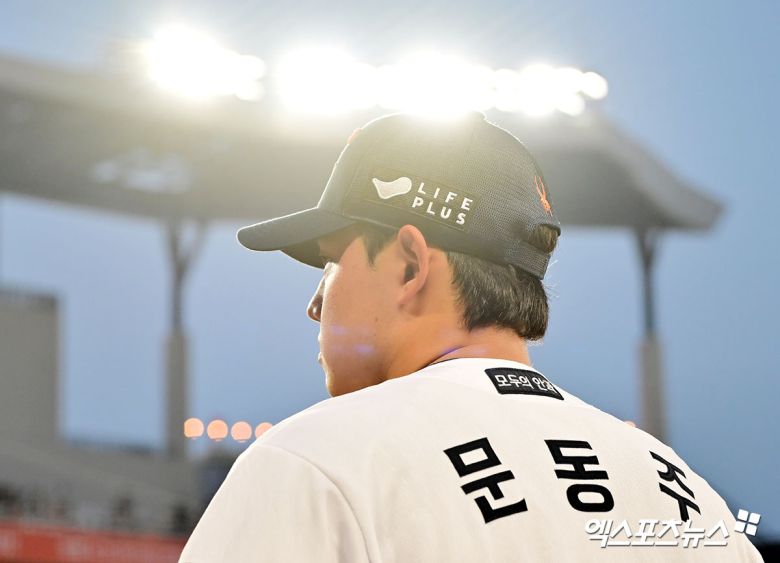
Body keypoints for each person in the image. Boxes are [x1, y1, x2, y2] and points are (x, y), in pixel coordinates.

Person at [179, 112, 763, 562]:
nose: (314, 305)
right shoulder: (693, 500)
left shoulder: (317, 462)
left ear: (410, 265)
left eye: (330, 263)